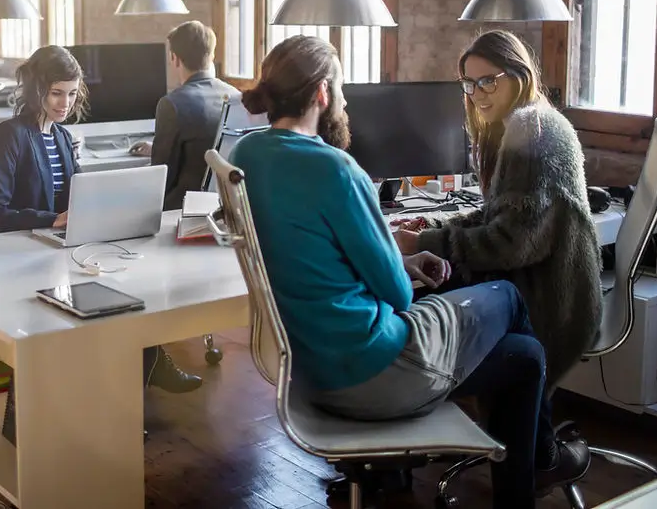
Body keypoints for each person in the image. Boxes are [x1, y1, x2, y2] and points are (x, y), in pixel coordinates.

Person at [228, 35, 589, 508]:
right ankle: (531, 471)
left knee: (522, 353)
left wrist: (407, 251)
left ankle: (390, 475)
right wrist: (403, 259)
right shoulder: (336, 169)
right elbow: (398, 294)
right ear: (322, 94)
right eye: (340, 88)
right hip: (370, 375)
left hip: (303, 373)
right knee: (509, 304)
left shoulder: (245, 156)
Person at [0, 45, 202, 394]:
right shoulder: (11, 136)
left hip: (58, 248)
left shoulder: (63, 138)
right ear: (37, 90)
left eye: (70, 93)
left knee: (127, 288)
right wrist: (53, 219)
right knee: (109, 297)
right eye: (55, 93)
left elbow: (82, 196)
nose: (64, 103)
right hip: (19, 254)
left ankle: (143, 369)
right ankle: (133, 381)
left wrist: (106, 207)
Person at [393, 30, 602, 389]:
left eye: (488, 81)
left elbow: (512, 243)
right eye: (469, 84)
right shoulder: (520, 123)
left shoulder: (532, 130)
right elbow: (501, 216)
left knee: (411, 309)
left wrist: (419, 243)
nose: (477, 95)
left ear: (519, 75)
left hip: (552, 303)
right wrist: (429, 223)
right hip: (539, 289)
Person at [130, 21, 241, 210]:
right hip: (229, 206)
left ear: (175, 58)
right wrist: (158, 147)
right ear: (212, 55)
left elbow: (161, 175)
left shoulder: (172, 104)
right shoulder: (237, 97)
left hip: (184, 210)